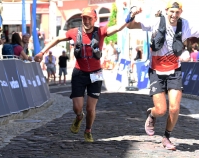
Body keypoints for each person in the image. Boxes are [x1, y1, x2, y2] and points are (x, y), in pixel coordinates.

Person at [127, 0, 199, 150]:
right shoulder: (156, 22)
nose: (174, 15)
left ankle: (167, 137)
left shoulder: (185, 25)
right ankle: (152, 114)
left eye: (177, 12)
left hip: (175, 70)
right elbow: (131, 25)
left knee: (174, 108)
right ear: (166, 11)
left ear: (181, 13)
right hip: (156, 70)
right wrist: (132, 13)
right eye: (171, 12)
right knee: (161, 110)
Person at [34, 7, 130, 142]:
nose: (86, 21)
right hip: (79, 74)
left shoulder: (100, 32)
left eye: (89, 18)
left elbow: (118, 28)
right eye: (84, 18)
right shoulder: (74, 32)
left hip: (96, 75)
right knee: (77, 107)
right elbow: (57, 39)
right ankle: (79, 117)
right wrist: (42, 52)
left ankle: (88, 130)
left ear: (95, 19)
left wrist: (129, 17)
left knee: (91, 108)